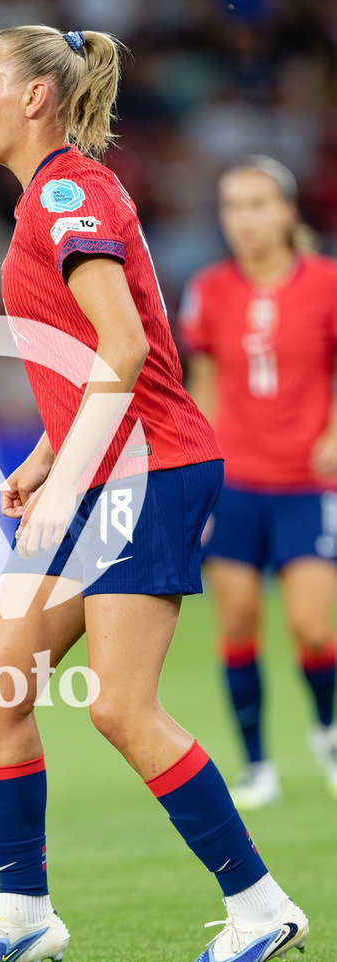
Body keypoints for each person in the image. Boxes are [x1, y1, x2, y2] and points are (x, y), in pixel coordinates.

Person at [0, 26, 308, 962]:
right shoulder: (49, 200)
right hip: (106, 468)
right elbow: (98, 361)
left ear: (35, 100)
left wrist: (69, 475)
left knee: (119, 708)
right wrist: (48, 453)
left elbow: (128, 345)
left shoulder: (65, 195)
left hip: (149, 472)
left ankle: (259, 908)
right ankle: (24, 917)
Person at [182, 157, 337, 809]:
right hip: (238, 480)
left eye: (256, 204)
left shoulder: (327, 283)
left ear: (287, 211)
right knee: (238, 621)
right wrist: (200, 467)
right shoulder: (210, 289)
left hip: (307, 482)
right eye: (231, 206)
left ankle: (327, 733)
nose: (242, 219)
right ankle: (257, 765)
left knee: (313, 628)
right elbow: (206, 381)